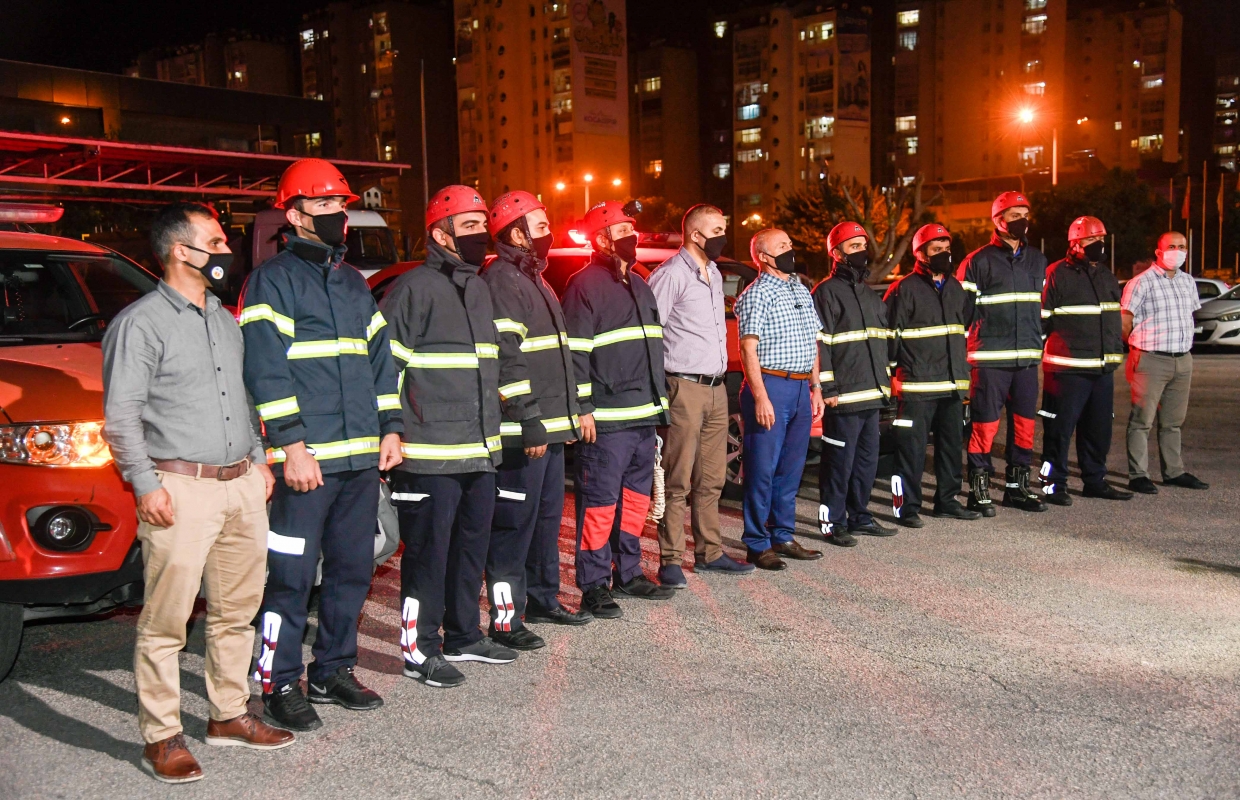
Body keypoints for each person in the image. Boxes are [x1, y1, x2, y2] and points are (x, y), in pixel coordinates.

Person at [104, 202, 293, 784]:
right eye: (214, 242)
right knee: (167, 622)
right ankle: (161, 737)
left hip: (241, 485)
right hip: (180, 489)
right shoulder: (140, 324)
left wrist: (259, 461)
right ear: (180, 251)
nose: (225, 251)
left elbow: (243, 398)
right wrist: (145, 484)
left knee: (236, 613)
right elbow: (121, 417)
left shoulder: (223, 320)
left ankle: (228, 715)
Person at [241, 159, 404, 729]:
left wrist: (391, 428)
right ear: (295, 215)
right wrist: (291, 447)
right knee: (290, 577)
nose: (339, 214)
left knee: (352, 571)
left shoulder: (352, 282)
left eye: (341, 204)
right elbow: (265, 371)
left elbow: (380, 363)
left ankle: (332, 670)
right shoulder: (272, 280)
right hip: (306, 464)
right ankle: (278, 681)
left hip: (359, 460)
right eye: (326, 204)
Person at [382, 185, 520, 688]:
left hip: (479, 451)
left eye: (483, 225)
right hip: (427, 453)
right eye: (470, 226)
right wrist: (390, 431)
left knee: (469, 550)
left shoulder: (478, 289)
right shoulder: (414, 289)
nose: (482, 235)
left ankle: (464, 635)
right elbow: (385, 368)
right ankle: (420, 650)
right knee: (427, 557)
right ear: (441, 235)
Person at [482, 190, 594, 647]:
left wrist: (565, 418)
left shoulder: (532, 278)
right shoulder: (502, 280)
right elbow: (507, 357)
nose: (549, 234)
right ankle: (506, 620)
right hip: (522, 431)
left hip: (546, 426)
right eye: (542, 227)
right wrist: (528, 418)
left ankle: (543, 599)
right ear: (516, 234)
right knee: (513, 526)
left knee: (546, 520)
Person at [562, 200, 674, 617]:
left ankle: (628, 572)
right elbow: (575, 353)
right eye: (623, 231)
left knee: (635, 502)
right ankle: (594, 584)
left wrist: (660, 409)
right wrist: (582, 407)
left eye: (633, 229)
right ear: (601, 240)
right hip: (607, 421)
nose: (633, 236)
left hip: (644, 417)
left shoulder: (640, 284)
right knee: (599, 506)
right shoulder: (583, 285)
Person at [647, 204, 754, 588]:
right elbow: (650, 334)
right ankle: (671, 560)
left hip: (715, 389)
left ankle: (710, 554)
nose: (724, 235)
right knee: (677, 481)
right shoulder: (670, 275)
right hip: (683, 388)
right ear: (695, 235)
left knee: (711, 479)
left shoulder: (713, 272)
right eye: (717, 229)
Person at [733, 228, 827, 570]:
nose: (790, 250)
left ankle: (782, 535)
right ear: (763, 256)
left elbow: (812, 340)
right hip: (771, 384)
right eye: (782, 246)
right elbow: (748, 348)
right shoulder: (757, 294)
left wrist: (816, 387)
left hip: (800, 388)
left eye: (790, 243)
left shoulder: (799, 288)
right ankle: (757, 543)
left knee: (790, 469)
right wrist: (760, 396)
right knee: (762, 469)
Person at [956, 192, 1048, 516]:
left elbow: (1042, 310)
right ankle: (978, 490)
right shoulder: (976, 262)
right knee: (984, 426)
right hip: (989, 361)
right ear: (998, 220)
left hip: (1026, 362)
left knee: (1024, 426)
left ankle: (1017, 488)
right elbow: (962, 315)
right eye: (1015, 215)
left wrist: (1038, 342)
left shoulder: (1037, 260)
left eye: (1025, 214)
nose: (1022, 220)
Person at [883, 224, 980, 527]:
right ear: (921, 254)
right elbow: (889, 338)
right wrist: (892, 377)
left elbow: (962, 330)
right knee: (910, 452)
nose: (944, 254)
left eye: (946, 249)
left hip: (952, 385)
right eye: (936, 250)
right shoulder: (903, 289)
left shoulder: (956, 288)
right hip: (916, 387)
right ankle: (907, 508)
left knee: (950, 448)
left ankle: (947, 502)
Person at [813, 222, 896, 546]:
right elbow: (820, 344)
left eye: (863, 245)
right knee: (838, 464)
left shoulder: (870, 295)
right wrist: (828, 388)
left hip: (872, 395)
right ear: (836, 253)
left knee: (866, 462)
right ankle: (832, 522)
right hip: (844, 397)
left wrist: (886, 385)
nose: (862, 251)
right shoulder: (825, 293)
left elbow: (883, 344)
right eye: (854, 247)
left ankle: (859, 516)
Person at [1039, 216, 1132, 503]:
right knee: (1059, 430)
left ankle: (1095, 481)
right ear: (1076, 243)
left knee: (1098, 430)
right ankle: (1053, 484)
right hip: (1067, 369)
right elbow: (1042, 319)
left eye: (1101, 239)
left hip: (1102, 369)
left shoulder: (1105, 275)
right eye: (1092, 240)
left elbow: (1112, 319)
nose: (1099, 245)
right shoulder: (1057, 273)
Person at [1121, 232, 1209, 493]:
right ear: (1158, 252)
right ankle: (1138, 475)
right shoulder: (1141, 282)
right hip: (1151, 359)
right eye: (1171, 246)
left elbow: (1188, 316)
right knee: (1142, 421)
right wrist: (1136, 348)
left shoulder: (1187, 281)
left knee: (1173, 422)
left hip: (1182, 359)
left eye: (1182, 246)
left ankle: (1173, 472)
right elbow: (1125, 321)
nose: (1177, 251)